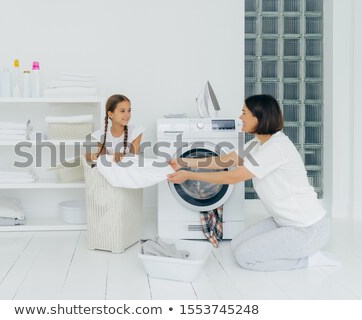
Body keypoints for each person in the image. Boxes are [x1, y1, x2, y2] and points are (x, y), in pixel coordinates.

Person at [168, 94, 339, 271]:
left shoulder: (276, 147)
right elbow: (224, 161)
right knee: (236, 246)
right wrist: (184, 162)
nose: (239, 118)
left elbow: (232, 177)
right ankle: (294, 250)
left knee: (245, 257)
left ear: (259, 117)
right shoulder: (258, 144)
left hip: (308, 228)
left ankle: (310, 260)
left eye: (244, 113)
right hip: (282, 221)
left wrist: (189, 176)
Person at [90, 94, 144, 162]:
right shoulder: (101, 135)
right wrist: (96, 156)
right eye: (122, 111)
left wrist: (122, 156)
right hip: (110, 171)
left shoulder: (135, 132)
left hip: (130, 170)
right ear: (111, 114)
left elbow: (133, 158)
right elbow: (102, 160)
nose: (127, 114)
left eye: (129, 110)